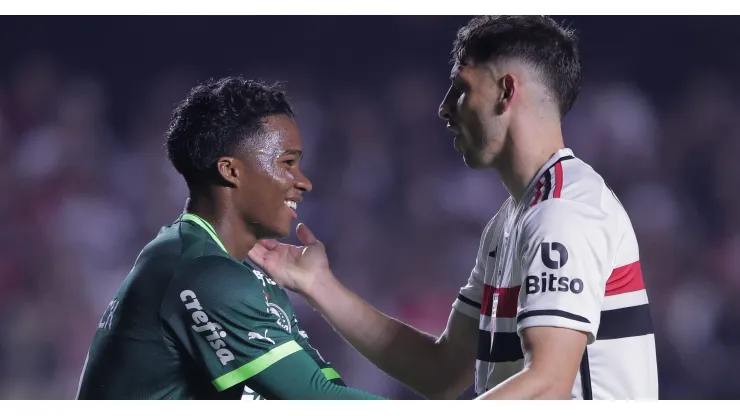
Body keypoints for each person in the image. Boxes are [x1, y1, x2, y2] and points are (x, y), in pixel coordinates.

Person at [247, 16, 659, 400]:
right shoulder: (510, 220)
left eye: (460, 88)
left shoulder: (564, 211)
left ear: (506, 91)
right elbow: (443, 371)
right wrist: (319, 284)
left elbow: (548, 384)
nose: (444, 108)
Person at [75, 77, 384, 400]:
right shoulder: (201, 272)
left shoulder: (243, 276)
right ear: (231, 171)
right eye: (288, 163)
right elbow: (317, 400)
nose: (303, 182)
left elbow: (327, 389)